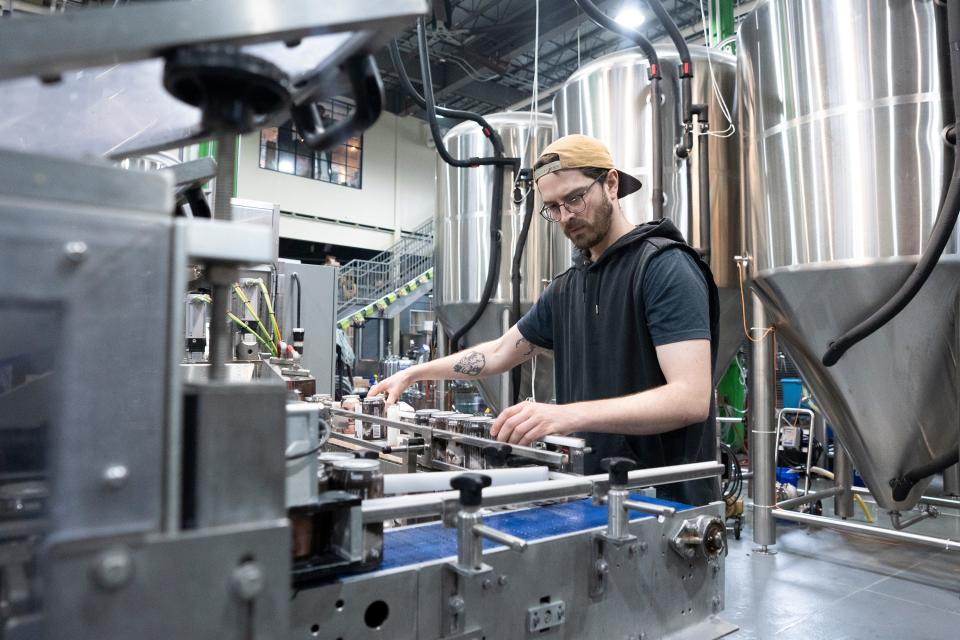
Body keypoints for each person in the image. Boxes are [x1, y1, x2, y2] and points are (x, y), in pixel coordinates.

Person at [370, 134, 719, 505]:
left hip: (669, 508)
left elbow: (690, 398)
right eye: (553, 206)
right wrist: (413, 374)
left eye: (574, 198)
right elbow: (501, 352)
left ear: (611, 184)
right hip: (593, 498)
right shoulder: (567, 288)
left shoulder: (664, 267)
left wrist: (564, 416)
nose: (566, 216)